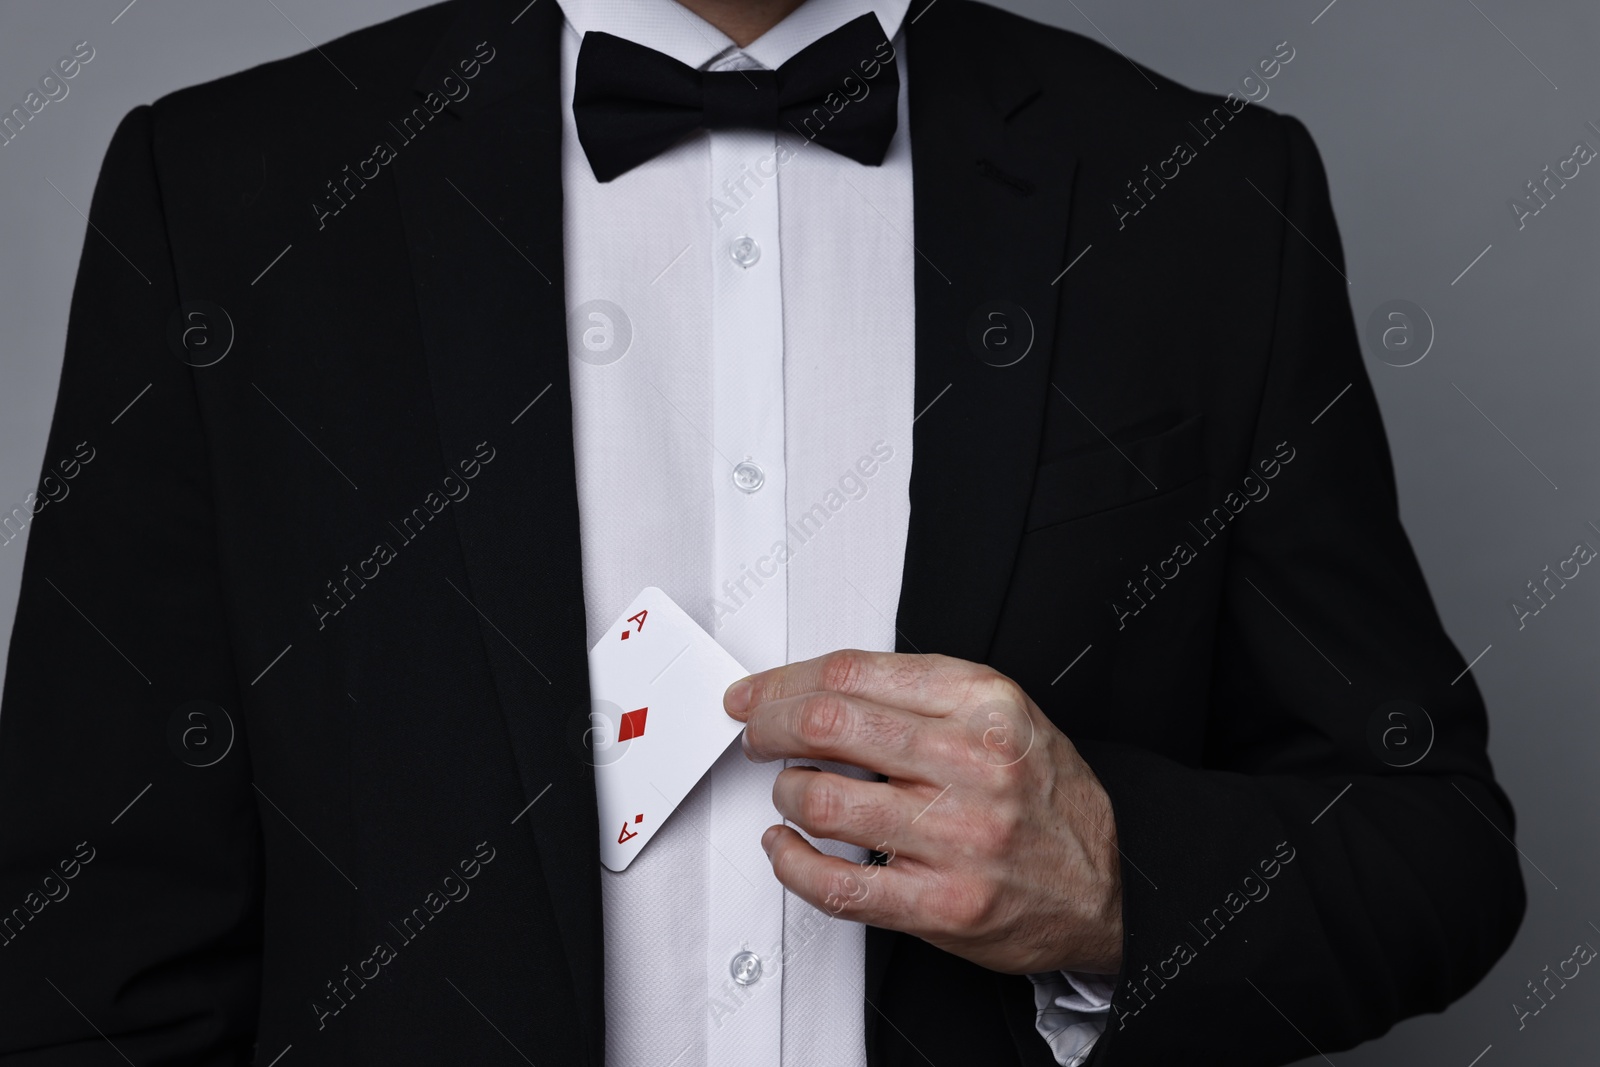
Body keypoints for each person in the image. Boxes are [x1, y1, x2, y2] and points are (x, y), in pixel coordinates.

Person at [0, 0, 1524, 1064]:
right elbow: (90, 955)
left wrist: (1121, 882)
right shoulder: (222, 195)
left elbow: (1432, 848)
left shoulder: (1203, 197)